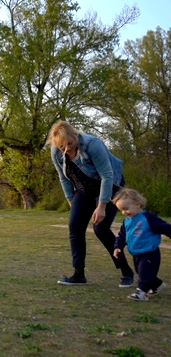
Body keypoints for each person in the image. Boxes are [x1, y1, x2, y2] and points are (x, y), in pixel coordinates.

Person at [47, 120, 134, 287]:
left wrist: (101, 206)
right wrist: (71, 200)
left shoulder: (92, 144)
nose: (66, 150)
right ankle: (78, 274)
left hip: (110, 184)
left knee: (100, 228)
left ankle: (126, 271)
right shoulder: (55, 150)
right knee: (75, 225)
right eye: (61, 147)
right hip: (83, 188)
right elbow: (63, 177)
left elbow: (107, 176)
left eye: (69, 144)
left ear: (75, 136)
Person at [112, 188, 170, 301]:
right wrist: (118, 246)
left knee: (144, 272)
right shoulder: (127, 220)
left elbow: (165, 228)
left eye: (126, 208)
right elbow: (122, 235)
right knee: (141, 272)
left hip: (150, 252)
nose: (124, 212)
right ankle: (157, 285)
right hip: (136, 253)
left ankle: (141, 293)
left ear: (137, 204)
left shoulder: (148, 218)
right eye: (121, 210)